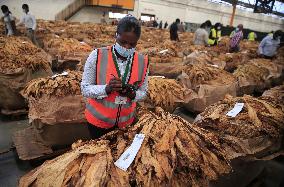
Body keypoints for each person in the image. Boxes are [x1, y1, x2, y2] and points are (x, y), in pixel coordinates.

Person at [81, 15, 149, 139]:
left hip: (126, 125)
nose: (127, 47)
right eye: (123, 42)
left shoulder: (142, 61)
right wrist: (106, 89)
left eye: (132, 44)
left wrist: (132, 94)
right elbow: (85, 89)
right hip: (98, 124)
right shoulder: (97, 56)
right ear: (116, 35)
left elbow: (144, 92)